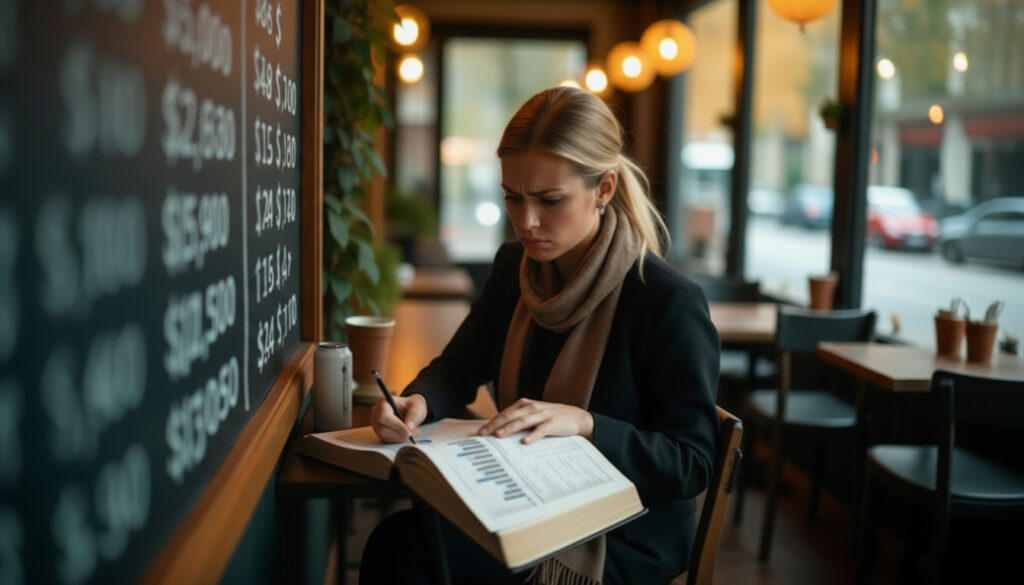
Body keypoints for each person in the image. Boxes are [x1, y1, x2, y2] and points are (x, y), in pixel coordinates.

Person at [359, 86, 720, 585]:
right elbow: (460, 366)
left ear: (605, 189)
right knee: (407, 540)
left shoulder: (664, 300)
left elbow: (693, 461)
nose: (526, 222)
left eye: (550, 200)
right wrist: (417, 399)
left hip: (622, 534)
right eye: (513, 197)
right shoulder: (515, 268)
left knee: (409, 549)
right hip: (527, 502)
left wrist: (585, 423)